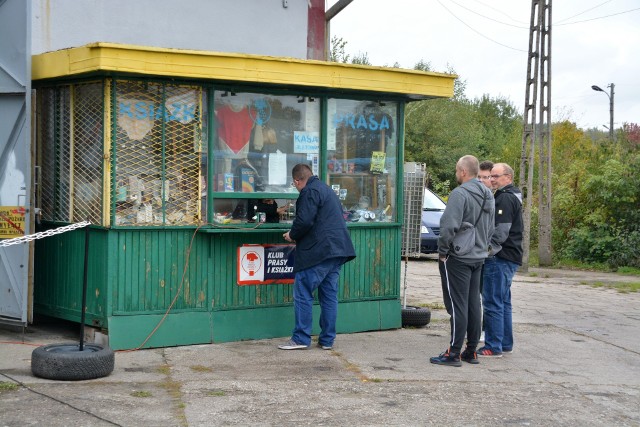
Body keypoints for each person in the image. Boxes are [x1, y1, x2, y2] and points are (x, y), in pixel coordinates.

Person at [279, 164, 356, 350]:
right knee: (329, 296)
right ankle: (327, 340)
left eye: (294, 184)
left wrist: (292, 234)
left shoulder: (309, 191)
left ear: (297, 181)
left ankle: (300, 339)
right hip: (337, 250)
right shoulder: (325, 189)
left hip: (319, 251)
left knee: (303, 293)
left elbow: (304, 220)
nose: (296, 187)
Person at [430, 155, 494, 367]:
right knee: (474, 304)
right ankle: (471, 351)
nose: (456, 174)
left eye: (458, 171)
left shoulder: (459, 194)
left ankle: (454, 353)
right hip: (478, 256)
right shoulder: (488, 194)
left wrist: (442, 251)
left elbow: (448, 226)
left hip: (458, 256)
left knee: (457, 305)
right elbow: (491, 227)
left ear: (463, 172)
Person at [478, 163, 523, 357]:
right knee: (503, 302)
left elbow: (501, 232)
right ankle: (505, 343)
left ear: (508, 177)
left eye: (496, 176)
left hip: (500, 257)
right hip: (510, 256)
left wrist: (487, 251)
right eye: (491, 176)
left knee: (492, 302)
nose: (492, 179)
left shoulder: (504, 198)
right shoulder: (513, 196)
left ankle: (492, 346)